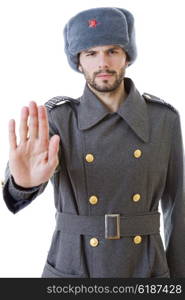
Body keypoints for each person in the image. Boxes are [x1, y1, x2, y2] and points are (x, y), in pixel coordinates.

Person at [1, 7, 185, 278]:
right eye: (91, 53)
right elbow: (19, 188)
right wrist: (23, 183)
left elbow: (178, 210)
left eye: (112, 51)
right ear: (78, 62)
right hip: (73, 269)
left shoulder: (163, 119)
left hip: (144, 269)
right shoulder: (58, 118)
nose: (103, 63)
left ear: (127, 57)